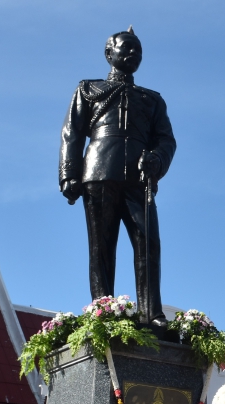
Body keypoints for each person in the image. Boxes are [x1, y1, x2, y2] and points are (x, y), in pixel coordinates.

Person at [59, 27, 176, 333]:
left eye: (138, 50)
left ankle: (150, 312)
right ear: (109, 53)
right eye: (126, 49)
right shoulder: (88, 89)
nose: (132, 54)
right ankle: (103, 309)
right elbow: (72, 133)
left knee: (148, 241)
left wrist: (157, 159)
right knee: (101, 245)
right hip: (98, 172)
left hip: (139, 178)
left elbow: (167, 141)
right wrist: (69, 174)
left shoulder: (152, 100)